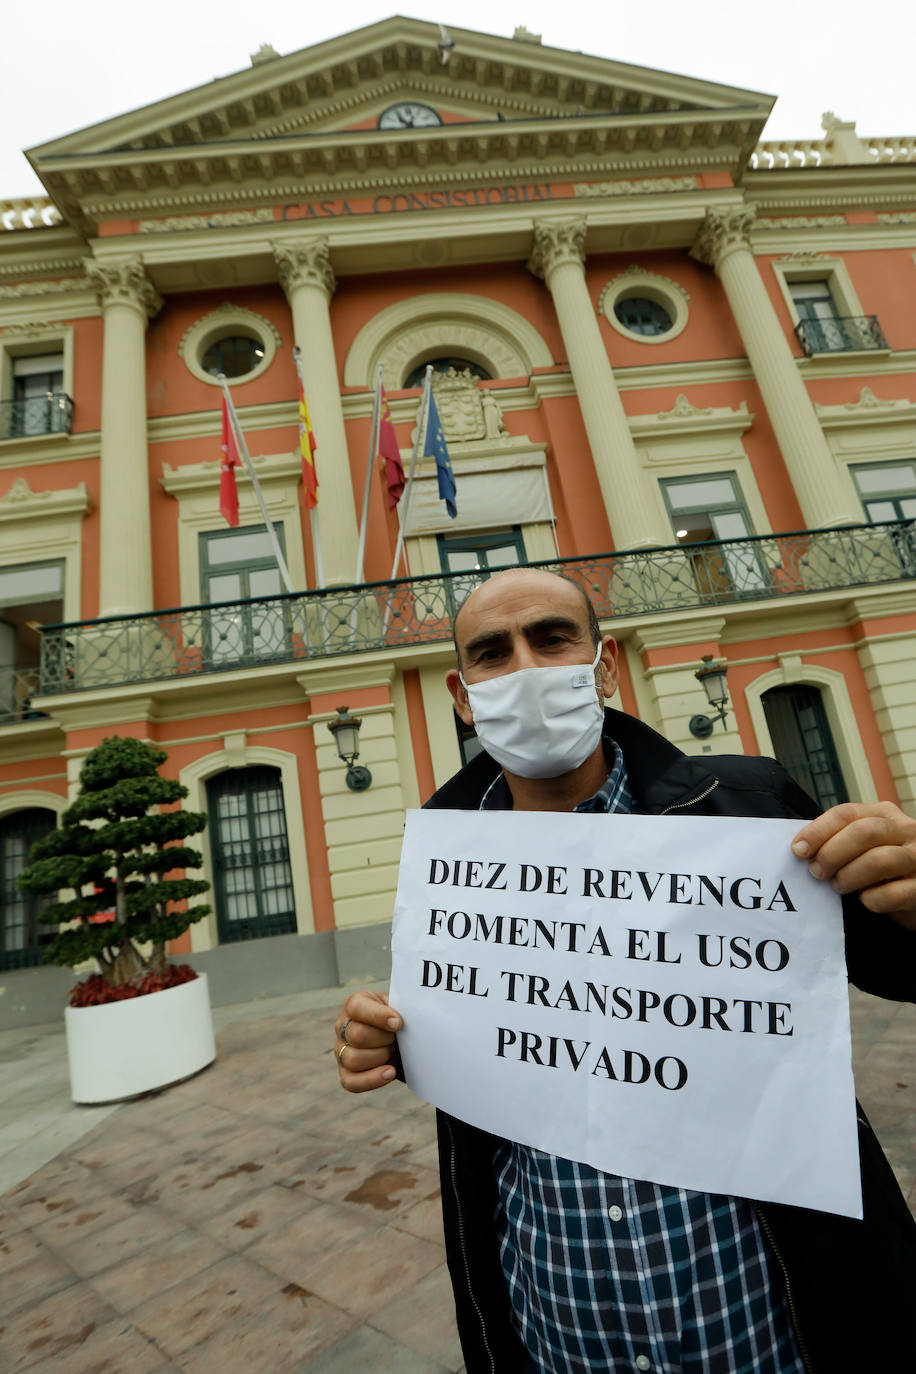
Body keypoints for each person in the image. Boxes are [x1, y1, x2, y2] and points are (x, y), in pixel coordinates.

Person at [335, 568, 916, 1373]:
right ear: (463, 698)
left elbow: (898, 966)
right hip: (557, 1326)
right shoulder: (445, 861)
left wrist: (908, 899)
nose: (528, 669)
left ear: (603, 664)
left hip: (768, 1317)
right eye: (492, 654)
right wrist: (396, 1041)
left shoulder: (742, 807)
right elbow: (487, 1038)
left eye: (552, 637)